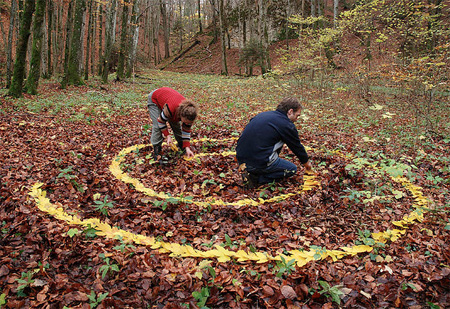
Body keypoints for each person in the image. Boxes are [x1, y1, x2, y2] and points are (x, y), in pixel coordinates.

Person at [236, 97, 312, 188]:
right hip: (258, 162)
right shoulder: (286, 124)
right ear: (290, 111)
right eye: (297, 116)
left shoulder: (263, 115)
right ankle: (257, 179)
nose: (296, 119)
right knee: (292, 169)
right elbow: (296, 147)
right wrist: (307, 164)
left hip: (241, 159)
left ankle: (252, 172)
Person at [147, 87, 198, 163]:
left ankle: (183, 148)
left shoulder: (190, 114)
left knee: (176, 126)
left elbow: (186, 131)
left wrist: (187, 147)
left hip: (169, 101)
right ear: (181, 115)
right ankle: (157, 152)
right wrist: (167, 135)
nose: (187, 123)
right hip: (155, 99)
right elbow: (161, 121)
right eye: (185, 121)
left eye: (188, 122)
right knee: (157, 127)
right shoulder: (171, 109)